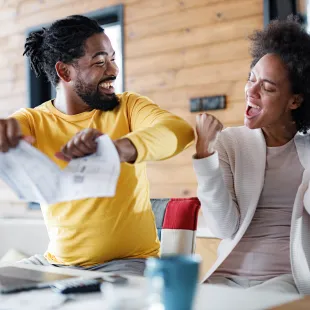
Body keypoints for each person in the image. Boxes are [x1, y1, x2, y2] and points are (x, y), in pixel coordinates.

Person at [0, 15, 194, 276]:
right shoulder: (33, 120)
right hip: (56, 264)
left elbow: (178, 131)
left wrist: (118, 149)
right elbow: (13, 129)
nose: (113, 70)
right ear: (65, 71)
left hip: (128, 263)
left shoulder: (128, 107)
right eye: (100, 62)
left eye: (113, 59)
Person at [193, 17, 310, 295]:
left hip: (284, 279)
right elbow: (224, 227)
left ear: (294, 101)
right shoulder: (229, 143)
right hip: (224, 277)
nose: (251, 92)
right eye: (251, 78)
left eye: (267, 88)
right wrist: (204, 157)